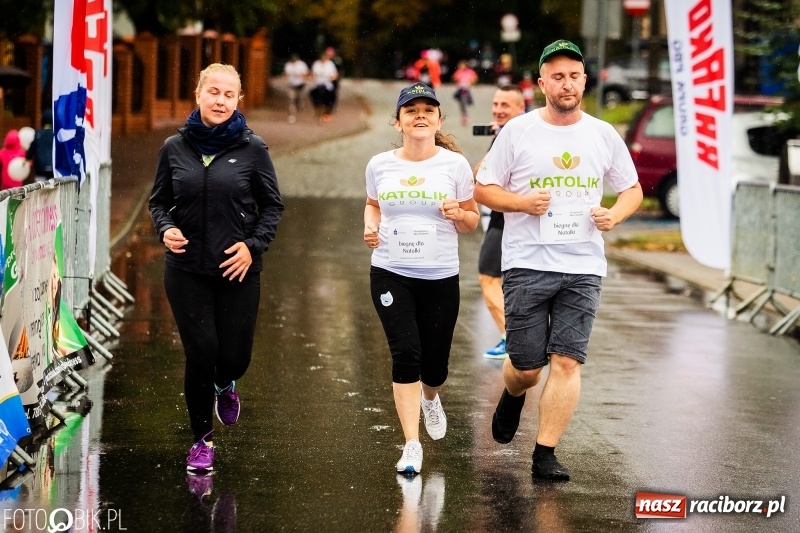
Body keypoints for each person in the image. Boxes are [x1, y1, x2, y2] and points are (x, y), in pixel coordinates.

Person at [474, 40, 643, 481]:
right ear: (542, 83)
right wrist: (521, 203)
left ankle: (545, 452)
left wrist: (614, 215)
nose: (567, 84)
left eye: (574, 76)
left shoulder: (603, 134)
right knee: (527, 367)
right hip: (527, 262)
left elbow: (632, 189)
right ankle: (513, 393)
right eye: (557, 76)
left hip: (583, 265)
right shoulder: (518, 131)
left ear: (584, 81)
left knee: (567, 360)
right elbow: (482, 188)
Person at [149, 63, 284, 473]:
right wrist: (166, 228)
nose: (221, 101)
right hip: (186, 268)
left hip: (237, 269)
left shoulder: (253, 149)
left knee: (235, 357)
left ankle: (226, 383)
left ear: (238, 101)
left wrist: (252, 247)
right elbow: (158, 202)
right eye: (214, 92)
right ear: (198, 95)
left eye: (229, 95)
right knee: (200, 352)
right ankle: (201, 441)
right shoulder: (174, 147)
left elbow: (272, 206)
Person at [363, 83, 479, 475]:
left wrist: (458, 214)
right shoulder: (380, 165)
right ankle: (412, 445)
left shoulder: (455, 166)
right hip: (390, 271)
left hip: (440, 275)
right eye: (411, 110)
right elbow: (373, 205)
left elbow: (472, 220)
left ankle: (431, 398)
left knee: (435, 366)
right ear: (398, 122)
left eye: (428, 110)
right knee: (406, 354)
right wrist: (370, 227)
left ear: (439, 120)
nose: (420, 115)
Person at [475, 85, 526, 359]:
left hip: (505, 217)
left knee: (489, 277)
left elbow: (480, 174)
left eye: (505, 105)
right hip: (511, 216)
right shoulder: (514, 133)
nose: (498, 110)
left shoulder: (511, 135)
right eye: (495, 104)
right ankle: (520, 340)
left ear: (521, 108)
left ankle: (512, 340)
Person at [309, 49, 339, 123]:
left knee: (332, 97)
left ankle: (327, 112)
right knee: (312, 94)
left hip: (327, 85)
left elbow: (335, 75)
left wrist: (332, 77)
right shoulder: (316, 64)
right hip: (317, 84)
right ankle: (317, 108)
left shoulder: (330, 64)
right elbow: (312, 73)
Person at [283, 53, 309, 124]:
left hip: (300, 84)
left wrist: (301, 75)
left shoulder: (301, 64)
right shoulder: (288, 65)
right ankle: (291, 115)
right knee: (291, 99)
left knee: (299, 98)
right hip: (291, 85)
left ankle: (299, 105)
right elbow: (285, 73)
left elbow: (306, 73)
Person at [451, 60, 478, 126]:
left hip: (466, 89)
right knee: (462, 103)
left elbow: (475, 78)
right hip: (460, 90)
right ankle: (464, 116)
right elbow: (454, 78)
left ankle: (465, 115)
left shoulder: (470, 72)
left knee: (464, 102)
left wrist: (471, 82)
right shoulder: (458, 72)